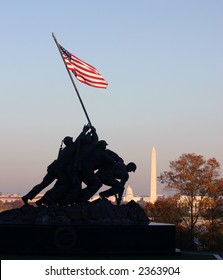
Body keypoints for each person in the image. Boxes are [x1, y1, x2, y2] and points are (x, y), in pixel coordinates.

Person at [22, 125, 98, 205]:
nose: (73, 141)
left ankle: (27, 197)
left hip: (53, 169)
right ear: (69, 142)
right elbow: (79, 141)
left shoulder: (65, 149)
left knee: (43, 185)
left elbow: (79, 141)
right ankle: (51, 199)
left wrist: (89, 132)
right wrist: (86, 131)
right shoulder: (71, 149)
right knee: (65, 183)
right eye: (71, 140)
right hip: (58, 171)